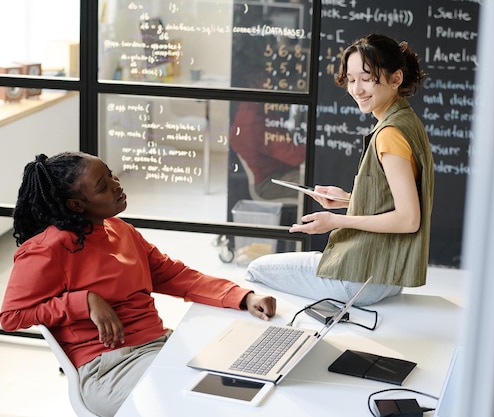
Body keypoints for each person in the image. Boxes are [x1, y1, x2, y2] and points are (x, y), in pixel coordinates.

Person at [0, 152, 276, 417]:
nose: (116, 185)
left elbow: (174, 275)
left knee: (249, 375)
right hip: (108, 369)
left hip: (159, 347)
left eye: (110, 175)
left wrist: (243, 297)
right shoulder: (47, 249)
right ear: (76, 204)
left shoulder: (121, 230)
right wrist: (84, 301)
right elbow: (11, 316)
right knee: (207, 402)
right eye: (103, 186)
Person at [245, 33, 434, 306]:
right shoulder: (407, 121)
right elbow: (396, 199)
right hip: (388, 277)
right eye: (351, 79)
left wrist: (335, 221)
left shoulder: (389, 133)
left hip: (360, 278)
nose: (357, 89)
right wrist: (347, 199)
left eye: (367, 78)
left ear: (396, 79)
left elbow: (408, 219)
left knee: (255, 270)